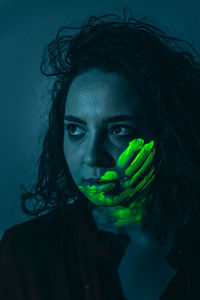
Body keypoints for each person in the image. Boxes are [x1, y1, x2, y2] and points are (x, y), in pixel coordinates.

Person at [1, 10, 200, 300]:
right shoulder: (25, 252)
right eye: (76, 130)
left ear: (167, 134)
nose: (92, 156)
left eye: (119, 130)